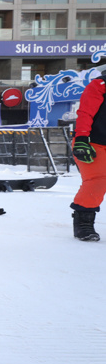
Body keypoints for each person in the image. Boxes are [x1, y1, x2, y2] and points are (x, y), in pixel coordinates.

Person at [69, 72, 105, 242]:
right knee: (98, 180)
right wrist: (82, 138)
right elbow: (85, 113)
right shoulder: (99, 85)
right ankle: (83, 223)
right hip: (93, 142)